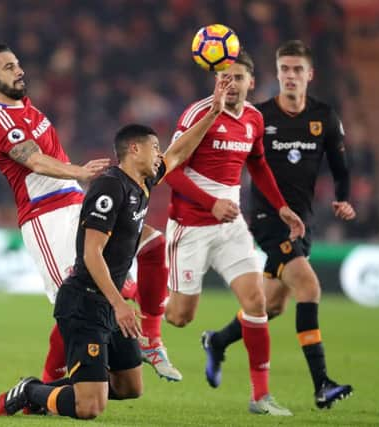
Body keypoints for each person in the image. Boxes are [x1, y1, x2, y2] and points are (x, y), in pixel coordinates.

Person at [0, 76, 231, 419]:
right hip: (86, 302)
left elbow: (178, 154)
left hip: (110, 302)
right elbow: (90, 253)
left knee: (130, 387)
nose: (160, 154)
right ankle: (30, 392)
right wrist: (120, 304)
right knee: (89, 408)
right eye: (153, 147)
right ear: (134, 150)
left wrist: (213, 113)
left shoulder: (142, 183)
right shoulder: (109, 189)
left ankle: (58, 389)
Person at [0, 44, 181, 383]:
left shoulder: (26, 107)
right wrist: (77, 172)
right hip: (45, 218)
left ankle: (152, 339)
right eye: (9, 67)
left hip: (74, 202)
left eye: (18, 63)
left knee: (152, 243)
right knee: (76, 299)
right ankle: (40, 389)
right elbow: (34, 160)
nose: (20, 70)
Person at [203, 40, 356, 409]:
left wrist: (344, 197)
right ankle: (322, 385)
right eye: (284, 69)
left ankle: (218, 341)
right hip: (267, 219)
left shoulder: (324, 117)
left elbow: (340, 165)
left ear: (309, 75)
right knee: (309, 286)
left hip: (302, 221)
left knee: (270, 306)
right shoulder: (259, 116)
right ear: (276, 73)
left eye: (297, 69)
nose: (290, 76)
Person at [163, 51, 305, 416]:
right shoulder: (198, 114)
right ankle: (142, 299)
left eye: (238, 78)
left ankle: (260, 397)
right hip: (190, 228)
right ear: (215, 81)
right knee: (180, 318)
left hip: (231, 228)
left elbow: (257, 164)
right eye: (224, 78)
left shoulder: (254, 119)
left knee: (257, 303)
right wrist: (210, 203)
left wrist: (281, 206)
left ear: (251, 82)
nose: (230, 84)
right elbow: (170, 170)